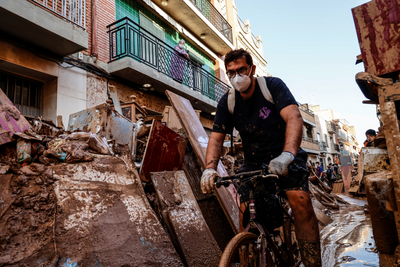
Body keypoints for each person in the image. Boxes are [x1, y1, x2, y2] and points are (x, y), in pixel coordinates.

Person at [200, 49, 321, 267]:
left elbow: (294, 117)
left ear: (252, 69)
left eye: (241, 70)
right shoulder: (227, 102)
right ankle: (249, 254)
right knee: (245, 209)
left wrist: (287, 155)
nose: (237, 76)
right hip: (254, 162)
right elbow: (216, 139)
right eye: (231, 72)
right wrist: (210, 168)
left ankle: (314, 263)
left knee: (301, 203)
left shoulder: (272, 86)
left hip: (286, 155)